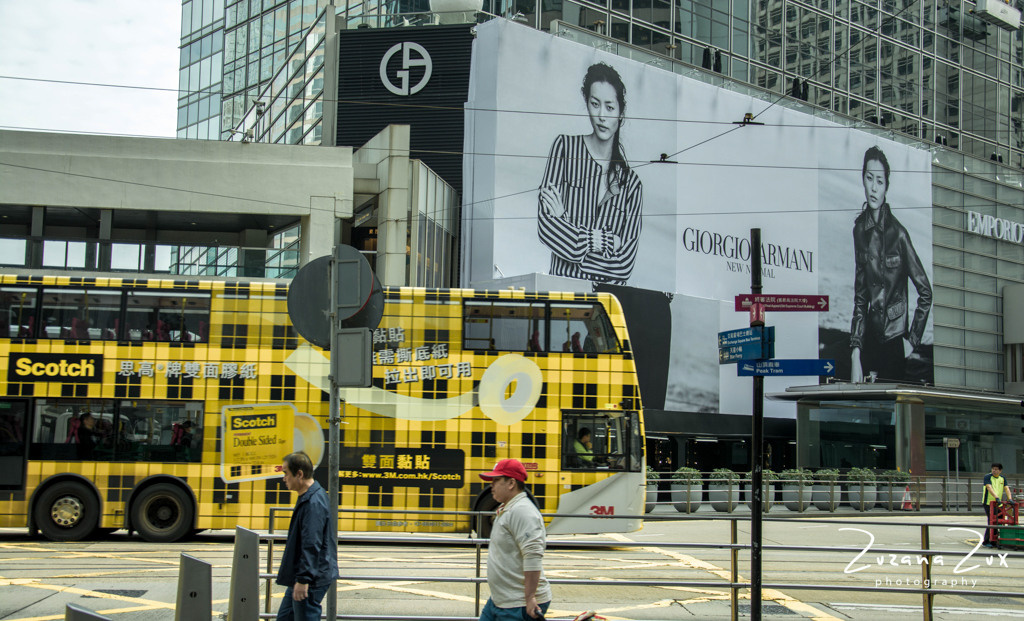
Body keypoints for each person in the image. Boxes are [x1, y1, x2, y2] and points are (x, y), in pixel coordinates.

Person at [538, 62, 643, 285]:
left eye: (610, 107)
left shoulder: (631, 184)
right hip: (561, 298)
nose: (601, 116)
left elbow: (624, 265)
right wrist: (602, 240)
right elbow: (546, 227)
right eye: (595, 104)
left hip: (607, 305)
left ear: (621, 113)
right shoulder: (565, 149)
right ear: (587, 104)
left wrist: (566, 226)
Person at [850, 146, 932, 383]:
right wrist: (856, 351)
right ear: (863, 180)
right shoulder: (858, 231)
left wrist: (911, 341)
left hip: (895, 342)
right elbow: (860, 297)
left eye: (880, 181)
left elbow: (925, 292)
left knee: (889, 414)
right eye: (869, 178)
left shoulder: (899, 235)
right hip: (869, 342)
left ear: (887, 186)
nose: (873, 188)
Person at [479, 458, 552, 620]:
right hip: (500, 600)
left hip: (517, 603)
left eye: (496, 480)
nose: (491, 485)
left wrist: (530, 597)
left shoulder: (523, 511)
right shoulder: (507, 508)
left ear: (511, 483)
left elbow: (533, 556)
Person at [276, 451, 339, 621]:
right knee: (284, 618)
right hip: (304, 575)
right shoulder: (309, 496)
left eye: (286, 473)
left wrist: (303, 580)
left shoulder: (313, 502)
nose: (284, 478)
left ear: (299, 474)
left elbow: (311, 544)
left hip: (311, 578)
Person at [982, 462, 1012, 548]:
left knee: (999, 521)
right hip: (988, 503)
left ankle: (995, 541)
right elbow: (989, 487)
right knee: (991, 521)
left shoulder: (1002, 478)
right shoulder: (988, 477)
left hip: (998, 504)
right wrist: (996, 497)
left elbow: (1006, 488)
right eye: (993, 469)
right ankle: (986, 541)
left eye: (996, 469)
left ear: (1000, 471)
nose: (994, 471)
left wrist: (1010, 498)